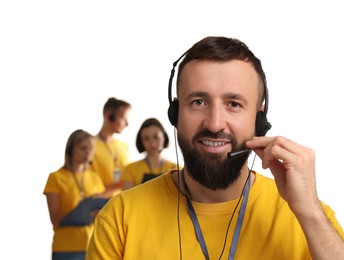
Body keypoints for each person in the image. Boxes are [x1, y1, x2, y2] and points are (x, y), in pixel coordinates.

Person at [86, 36, 344, 259]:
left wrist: (309, 211)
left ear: (259, 119)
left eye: (234, 104)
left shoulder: (309, 217)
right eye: (198, 102)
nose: (214, 123)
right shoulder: (118, 219)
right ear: (175, 113)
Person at [43, 129, 106, 260]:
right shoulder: (56, 177)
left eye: (91, 148)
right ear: (71, 150)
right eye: (83, 148)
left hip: (92, 245)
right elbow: (55, 219)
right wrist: (79, 210)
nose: (88, 153)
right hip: (66, 249)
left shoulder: (95, 177)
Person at [90, 97, 131, 197]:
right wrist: (119, 185)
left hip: (122, 207)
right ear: (109, 115)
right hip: (97, 208)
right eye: (123, 118)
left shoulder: (124, 147)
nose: (127, 123)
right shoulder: (89, 146)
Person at [121, 117, 178, 190]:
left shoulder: (176, 169)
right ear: (141, 142)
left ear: (164, 137)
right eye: (146, 139)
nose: (152, 144)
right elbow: (127, 200)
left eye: (156, 137)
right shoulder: (130, 169)